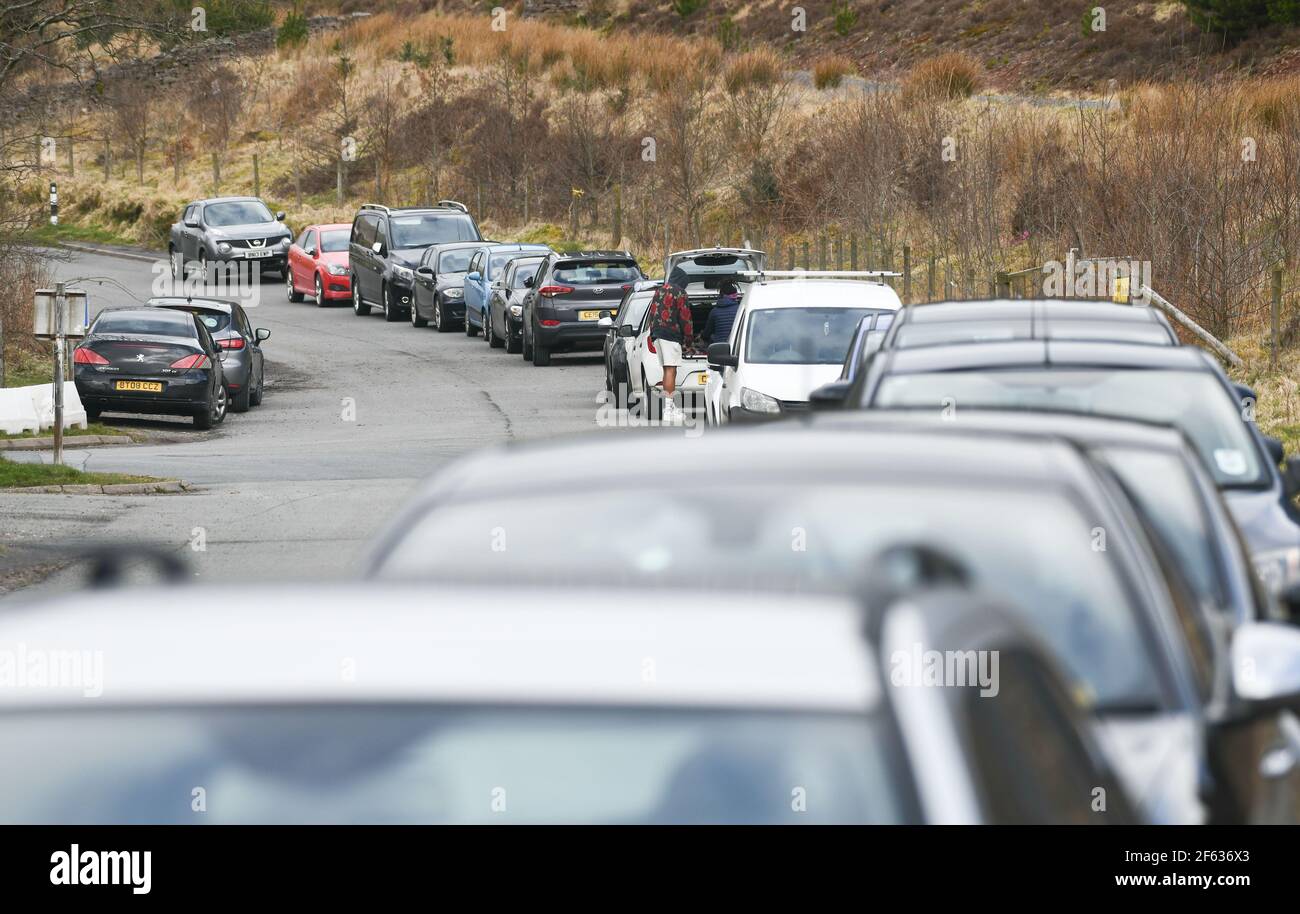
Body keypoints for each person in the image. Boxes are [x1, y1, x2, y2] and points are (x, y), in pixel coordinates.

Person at [646, 281, 694, 423]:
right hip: (670, 335)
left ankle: (670, 407)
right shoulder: (679, 292)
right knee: (670, 370)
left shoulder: (659, 291)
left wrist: (653, 333)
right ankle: (668, 409)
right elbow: (685, 317)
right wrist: (689, 339)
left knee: (667, 370)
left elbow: (652, 313)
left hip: (657, 334)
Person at [701, 280, 741, 347]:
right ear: (735, 296)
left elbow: (707, 333)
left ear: (721, 295)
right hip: (737, 347)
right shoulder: (740, 310)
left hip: (719, 348)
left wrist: (702, 335)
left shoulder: (714, 312)